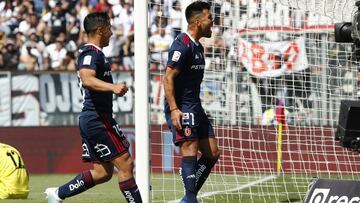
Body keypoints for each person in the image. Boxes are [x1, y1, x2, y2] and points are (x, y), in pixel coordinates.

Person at [44, 12, 142, 203]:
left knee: (102, 172)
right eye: (109, 29)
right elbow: (87, 79)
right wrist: (113, 87)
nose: (112, 33)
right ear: (100, 30)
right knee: (126, 164)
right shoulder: (90, 52)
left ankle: (58, 194)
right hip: (97, 119)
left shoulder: (96, 54)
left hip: (93, 118)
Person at [163, 2, 220, 203]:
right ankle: (190, 198)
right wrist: (174, 109)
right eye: (210, 18)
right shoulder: (182, 45)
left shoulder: (198, 47)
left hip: (195, 106)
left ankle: (188, 195)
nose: (213, 21)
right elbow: (167, 78)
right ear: (197, 22)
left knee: (212, 153)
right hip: (182, 107)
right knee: (190, 148)